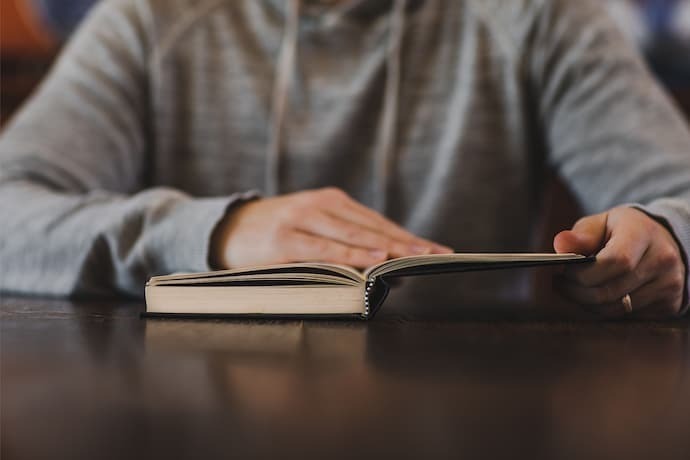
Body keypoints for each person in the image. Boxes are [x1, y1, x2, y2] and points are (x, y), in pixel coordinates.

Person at [1, 0, 689, 319]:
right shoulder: (146, 22)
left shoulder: (543, 17)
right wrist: (214, 232)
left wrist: (667, 240)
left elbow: (680, 199)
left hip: (472, 413)